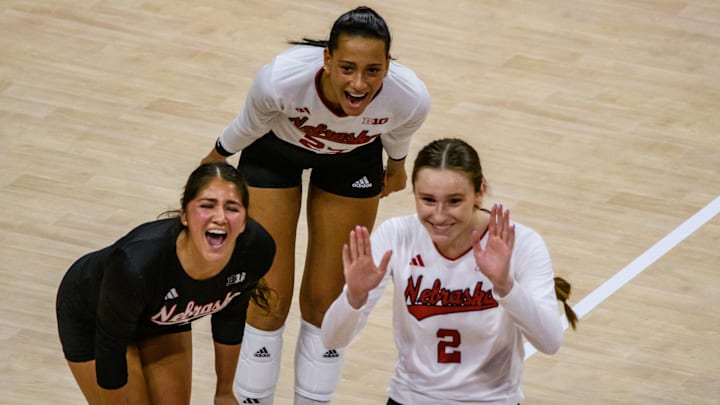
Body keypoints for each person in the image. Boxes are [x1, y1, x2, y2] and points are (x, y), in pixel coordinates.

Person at [200, 5, 431, 404]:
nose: (359, 84)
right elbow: (247, 126)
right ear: (327, 59)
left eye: (373, 71)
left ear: (388, 65)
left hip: (352, 161)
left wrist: (397, 166)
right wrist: (216, 159)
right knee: (268, 295)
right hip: (274, 154)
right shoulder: (281, 80)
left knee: (327, 302)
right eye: (347, 68)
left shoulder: (410, 97)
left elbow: (396, 129)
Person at [321, 138, 577, 405]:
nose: (440, 215)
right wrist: (354, 297)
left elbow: (550, 342)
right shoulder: (397, 236)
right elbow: (331, 339)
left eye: (454, 201)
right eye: (428, 200)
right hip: (410, 399)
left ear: (480, 191)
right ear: (414, 194)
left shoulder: (521, 242)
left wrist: (506, 286)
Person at [55, 162, 276, 405]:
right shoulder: (136, 266)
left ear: (244, 220)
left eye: (232, 207)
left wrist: (224, 392)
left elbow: (230, 316)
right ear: (184, 215)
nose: (221, 217)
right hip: (93, 317)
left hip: (162, 318)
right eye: (207, 205)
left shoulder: (256, 250)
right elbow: (111, 348)